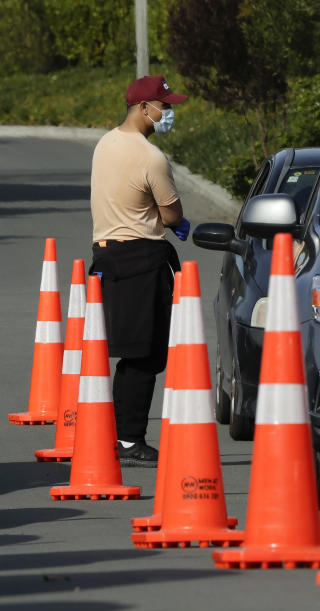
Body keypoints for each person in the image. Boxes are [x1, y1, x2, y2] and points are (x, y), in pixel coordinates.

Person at [89, 75, 191, 466]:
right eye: (165, 106)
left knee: (130, 353)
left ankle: (121, 435)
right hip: (142, 259)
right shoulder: (151, 157)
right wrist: (172, 220)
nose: (169, 113)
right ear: (144, 107)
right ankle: (129, 441)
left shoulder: (105, 144)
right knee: (144, 355)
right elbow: (172, 214)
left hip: (109, 256)